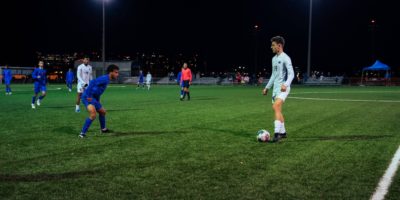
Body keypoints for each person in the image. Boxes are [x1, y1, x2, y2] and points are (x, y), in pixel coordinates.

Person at [262, 36, 294, 142]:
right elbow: (273, 75)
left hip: (284, 88)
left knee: (275, 106)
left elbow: (291, 74)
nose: (271, 47)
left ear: (279, 46)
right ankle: (283, 133)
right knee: (278, 110)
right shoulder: (274, 59)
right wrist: (267, 87)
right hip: (275, 89)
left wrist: (286, 84)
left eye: (273, 45)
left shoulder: (286, 57)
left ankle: (276, 134)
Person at [79, 64, 119, 138]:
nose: (117, 74)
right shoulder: (104, 78)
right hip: (88, 97)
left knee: (103, 112)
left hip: (94, 98)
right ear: (111, 72)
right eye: (116, 72)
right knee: (93, 115)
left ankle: (103, 129)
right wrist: (89, 96)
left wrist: (98, 101)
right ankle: (82, 134)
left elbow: (98, 91)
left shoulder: (107, 80)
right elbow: (92, 83)